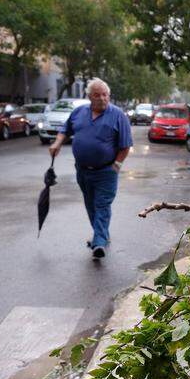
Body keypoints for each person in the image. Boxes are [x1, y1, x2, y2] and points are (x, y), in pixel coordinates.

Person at [48, 78, 133, 258]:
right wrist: (57, 143)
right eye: (97, 95)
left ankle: (99, 243)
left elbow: (125, 146)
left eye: (105, 95)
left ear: (109, 96)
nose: (102, 98)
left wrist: (116, 165)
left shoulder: (118, 116)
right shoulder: (79, 112)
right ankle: (102, 234)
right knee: (90, 204)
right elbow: (65, 129)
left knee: (102, 204)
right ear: (89, 96)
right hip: (83, 170)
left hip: (106, 171)